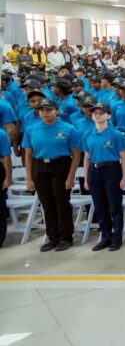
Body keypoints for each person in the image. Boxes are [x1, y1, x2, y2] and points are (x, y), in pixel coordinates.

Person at [23, 99, 81, 251]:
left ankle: (66, 237)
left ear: (56, 111)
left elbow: (76, 155)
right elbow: (28, 155)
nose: (44, 112)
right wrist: (29, 177)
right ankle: (52, 237)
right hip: (40, 165)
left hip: (61, 165)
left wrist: (71, 176)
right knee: (47, 204)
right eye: (42, 110)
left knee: (61, 202)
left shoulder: (68, 129)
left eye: (48, 110)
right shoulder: (32, 129)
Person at [81, 102, 125, 251]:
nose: (98, 116)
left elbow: (124, 157)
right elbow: (86, 157)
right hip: (95, 170)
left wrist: (124, 177)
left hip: (111, 169)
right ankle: (105, 237)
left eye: (101, 113)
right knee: (100, 206)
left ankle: (117, 238)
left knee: (114, 206)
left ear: (108, 115)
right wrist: (86, 177)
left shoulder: (115, 134)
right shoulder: (88, 134)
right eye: (95, 113)